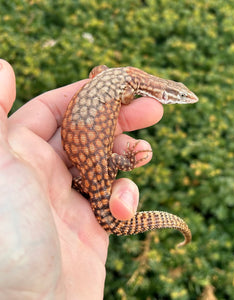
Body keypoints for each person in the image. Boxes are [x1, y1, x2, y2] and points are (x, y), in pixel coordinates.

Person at [0, 59, 164, 299]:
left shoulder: (106, 76)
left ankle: (117, 167)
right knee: (114, 164)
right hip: (88, 173)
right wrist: (127, 161)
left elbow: (97, 71)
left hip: (88, 168)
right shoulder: (126, 90)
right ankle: (124, 164)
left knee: (109, 166)